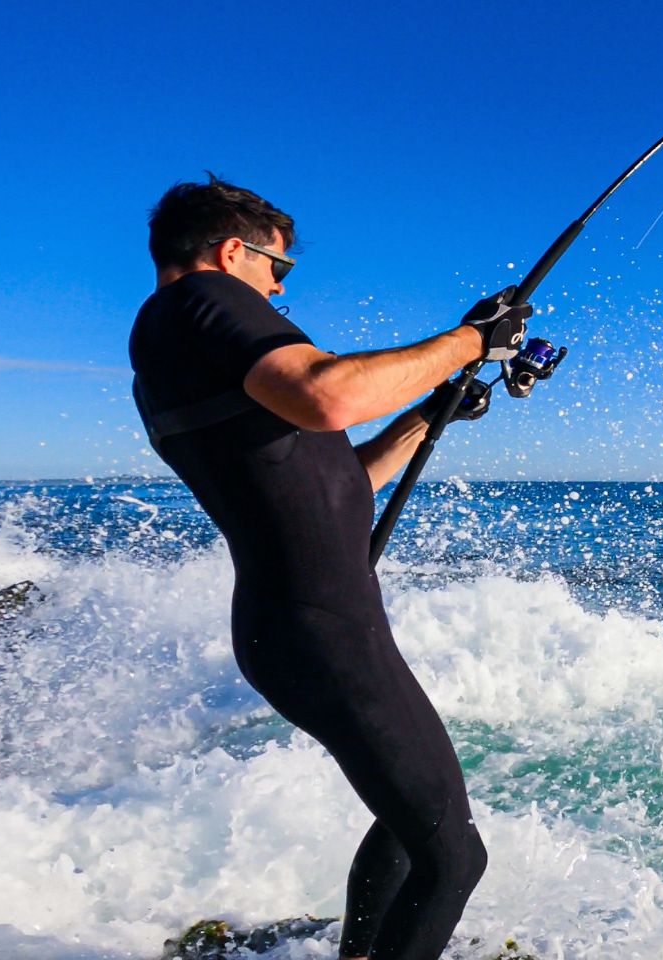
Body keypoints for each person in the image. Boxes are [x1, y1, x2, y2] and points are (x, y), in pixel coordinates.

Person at [129, 174, 530, 960]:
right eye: (278, 268)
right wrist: (471, 340)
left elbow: (335, 480)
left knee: (412, 823)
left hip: (300, 627)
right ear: (232, 251)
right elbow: (326, 394)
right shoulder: (204, 301)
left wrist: (429, 411)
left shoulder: (170, 345)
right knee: (454, 857)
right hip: (322, 632)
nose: (279, 288)